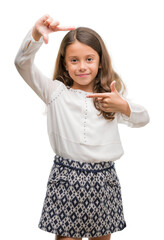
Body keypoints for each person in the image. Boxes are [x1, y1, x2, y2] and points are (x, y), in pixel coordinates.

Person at [14, 14, 150, 240]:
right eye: (74, 60)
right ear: (65, 64)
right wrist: (36, 34)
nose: (82, 66)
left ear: (100, 61)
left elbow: (143, 118)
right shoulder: (55, 92)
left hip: (103, 180)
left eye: (89, 59)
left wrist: (123, 105)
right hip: (66, 179)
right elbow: (21, 63)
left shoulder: (110, 98)